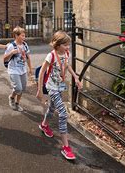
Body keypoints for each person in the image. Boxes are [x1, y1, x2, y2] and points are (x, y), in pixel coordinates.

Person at [36, 30, 82, 161]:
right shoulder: (51, 56)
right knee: (63, 113)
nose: (68, 47)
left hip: (60, 86)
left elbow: (67, 66)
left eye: (68, 44)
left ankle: (44, 125)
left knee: (52, 108)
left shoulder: (66, 53)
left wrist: (76, 77)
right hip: (52, 87)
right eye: (65, 45)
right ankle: (66, 147)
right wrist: (39, 90)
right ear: (57, 44)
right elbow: (41, 73)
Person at [3, 26, 32, 112]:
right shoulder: (11, 46)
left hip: (23, 70)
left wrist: (30, 68)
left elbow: (28, 57)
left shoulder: (25, 45)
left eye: (24, 35)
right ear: (16, 35)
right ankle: (12, 97)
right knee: (18, 88)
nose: (24, 37)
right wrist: (11, 53)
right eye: (22, 36)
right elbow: (4, 58)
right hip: (13, 70)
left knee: (22, 88)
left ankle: (17, 103)